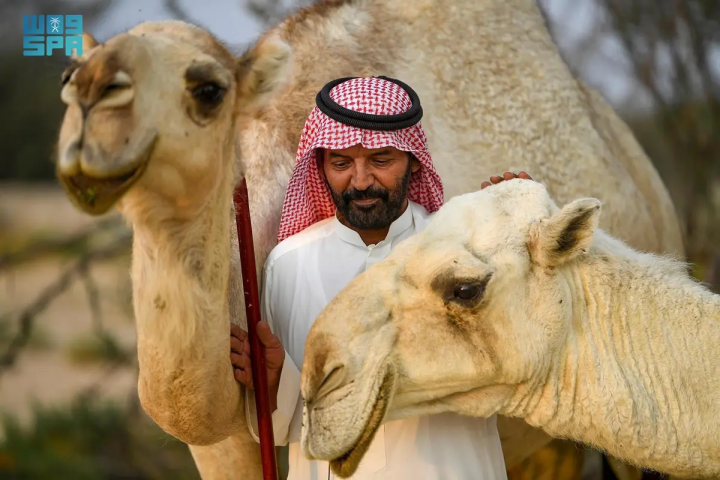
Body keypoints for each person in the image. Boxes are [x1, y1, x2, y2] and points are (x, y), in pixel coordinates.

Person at [230, 75, 530, 479]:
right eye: (341, 163)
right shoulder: (288, 264)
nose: (361, 181)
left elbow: (521, 369)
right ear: (320, 166)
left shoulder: (464, 247)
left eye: (381, 160)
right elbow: (283, 429)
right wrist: (276, 381)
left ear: (413, 160)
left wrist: (526, 251)